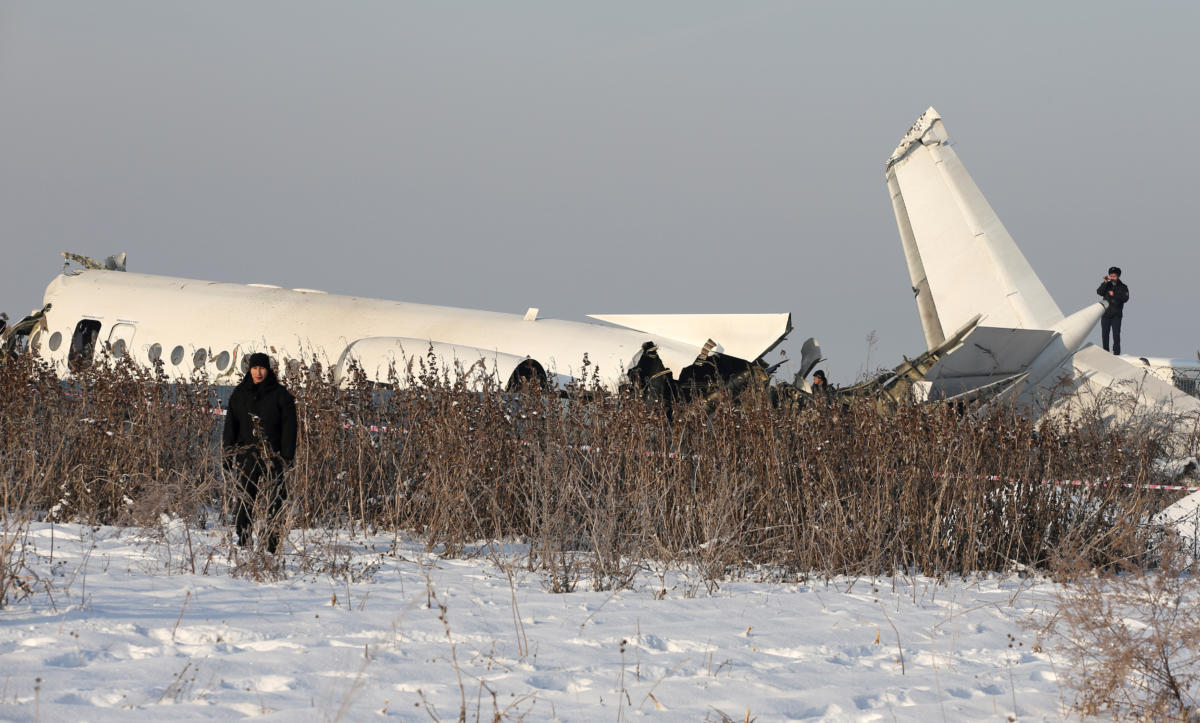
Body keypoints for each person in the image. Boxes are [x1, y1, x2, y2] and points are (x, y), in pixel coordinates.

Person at [222, 352, 297, 554]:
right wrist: (228, 455)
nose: (258, 372)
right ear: (249, 369)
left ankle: (272, 542)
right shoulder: (240, 393)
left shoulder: (281, 395)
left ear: (268, 370)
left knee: (276, 499)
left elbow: (290, 428)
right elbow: (231, 426)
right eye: (254, 368)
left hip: (274, 456)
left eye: (262, 368)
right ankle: (244, 540)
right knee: (246, 498)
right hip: (247, 454)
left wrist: (287, 457)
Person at [1096, 266, 1130, 355]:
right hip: (1106, 314)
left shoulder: (1123, 287)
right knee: (1105, 335)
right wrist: (1105, 282)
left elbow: (1125, 298)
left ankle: (1117, 354)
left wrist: (1114, 295)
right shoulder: (1106, 285)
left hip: (1116, 315)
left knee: (1116, 335)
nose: (1112, 277)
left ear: (1118, 276)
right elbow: (1099, 292)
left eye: (1114, 276)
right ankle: (1105, 353)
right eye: (1111, 275)